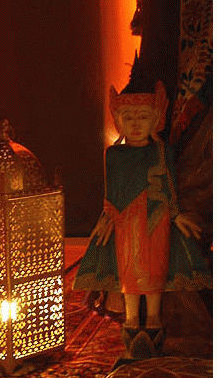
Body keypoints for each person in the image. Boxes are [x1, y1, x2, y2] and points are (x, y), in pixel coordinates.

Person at [73, 78, 211, 360]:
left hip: (157, 219)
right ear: (118, 121)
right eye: (129, 117)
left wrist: (176, 215)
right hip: (126, 222)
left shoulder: (162, 152)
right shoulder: (114, 155)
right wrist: (106, 217)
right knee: (129, 271)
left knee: (156, 272)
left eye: (143, 117)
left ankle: (154, 323)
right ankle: (132, 323)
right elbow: (112, 193)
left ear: (156, 119)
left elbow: (169, 188)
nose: (136, 124)